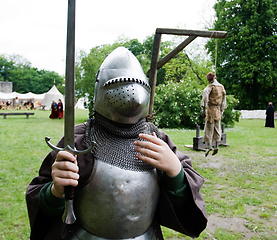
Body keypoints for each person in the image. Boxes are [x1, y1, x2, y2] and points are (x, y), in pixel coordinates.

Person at [26, 47, 207, 240]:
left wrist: (176, 172)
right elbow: (41, 198)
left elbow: (184, 201)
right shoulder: (78, 140)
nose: (131, 95)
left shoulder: (157, 139)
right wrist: (55, 191)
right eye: (121, 84)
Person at [201, 72, 227, 157]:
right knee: (217, 128)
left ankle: (209, 146)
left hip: (211, 109)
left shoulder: (210, 87)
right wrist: (222, 111)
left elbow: (205, 97)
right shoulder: (221, 87)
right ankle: (216, 145)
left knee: (209, 128)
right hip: (218, 110)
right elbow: (224, 100)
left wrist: (203, 109)